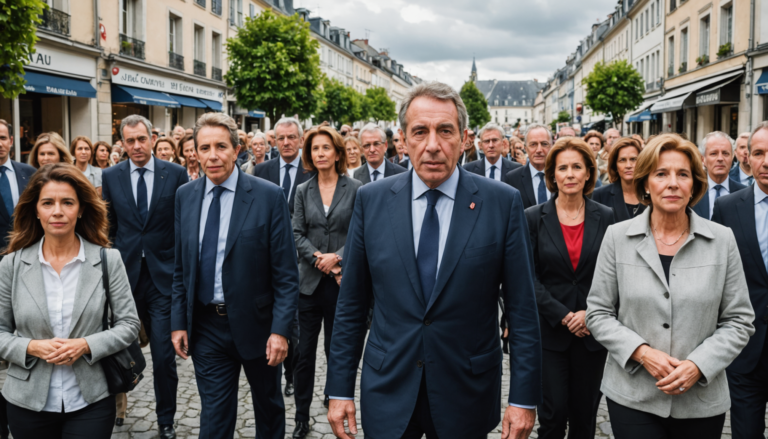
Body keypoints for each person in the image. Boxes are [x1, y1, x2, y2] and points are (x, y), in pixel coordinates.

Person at [326, 82, 542, 439]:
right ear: (403, 139)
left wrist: (523, 399)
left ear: (463, 137)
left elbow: (521, 309)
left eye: (445, 131)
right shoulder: (371, 200)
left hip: (466, 391)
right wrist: (338, 389)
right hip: (388, 387)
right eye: (420, 132)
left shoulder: (502, 202)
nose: (432, 145)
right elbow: (351, 304)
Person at [586, 133, 755, 439]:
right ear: (646, 184)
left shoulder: (722, 241)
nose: (673, 183)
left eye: (683, 174)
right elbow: (598, 313)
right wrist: (642, 353)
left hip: (701, 400)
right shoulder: (617, 237)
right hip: (633, 395)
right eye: (661, 174)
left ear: (695, 184)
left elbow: (739, 320)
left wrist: (698, 364)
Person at [170, 113, 299, 439]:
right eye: (204, 147)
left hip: (259, 327)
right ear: (194, 152)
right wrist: (178, 322)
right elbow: (180, 268)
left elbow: (286, 273)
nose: (212, 155)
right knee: (214, 419)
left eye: (220, 146)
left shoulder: (268, 196)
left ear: (237, 149)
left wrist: (280, 331)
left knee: (268, 411)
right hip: (207, 327)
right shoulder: (185, 196)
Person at [0, 163, 140, 439]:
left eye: (67, 202)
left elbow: (129, 324)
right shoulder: (11, 264)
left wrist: (86, 344)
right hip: (27, 400)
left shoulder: (107, 260)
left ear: (82, 208)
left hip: (91, 398)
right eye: (48, 203)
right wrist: (31, 347)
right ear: (36, 210)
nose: (58, 212)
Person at [102, 115, 188, 439]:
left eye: (141, 139)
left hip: (163, 280)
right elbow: (108, 227)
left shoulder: (175, 174)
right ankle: (112, 409)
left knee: (165, 357)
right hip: (124, 279)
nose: (136, 146)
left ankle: (166, 419)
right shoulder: (111, 176)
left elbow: (182, 228)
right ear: (122, 143)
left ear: (153, 138)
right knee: (115, 350)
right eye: (129, 141)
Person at [526, 136, 614, 439]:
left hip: (593, 334)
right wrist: (564, 315)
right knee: (552, 416)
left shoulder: (607, 217)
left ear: (589, 172)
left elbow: (614, 275)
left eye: (577, 167)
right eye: (562, 168)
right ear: (553, 175)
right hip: (551, 333)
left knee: (584, 416)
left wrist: (589, 313)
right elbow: (528, 278)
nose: (570, 174)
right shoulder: (534, 218)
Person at [291, 127, 362, 439]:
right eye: (315, 148)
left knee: (338, 352)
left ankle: (337, 400)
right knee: (303, 356)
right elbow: (296, 234)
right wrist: (321, 258)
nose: (320, 153)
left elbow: (361, 233)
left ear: (337, 152)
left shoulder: (357, 188)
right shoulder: (302, 190)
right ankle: (301, 417)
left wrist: (339, 259)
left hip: (342, 285)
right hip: (308, 286)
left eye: (325, 148)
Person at [711, 122, 768, 438]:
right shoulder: (728, 207)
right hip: (746, 351)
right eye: (758, 153)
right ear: (746, 157)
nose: (766, 162)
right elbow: (716, 275)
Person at [252, 118, 316, 216]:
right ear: (276, 142)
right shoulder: (260, 171)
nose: (286, 143)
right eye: (281, 138)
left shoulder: (313, 171)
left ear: (301, 141)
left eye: (291, 137)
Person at [691, 131, 747, 220]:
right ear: (703, 159)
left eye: (725, 153)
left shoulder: (745, 194)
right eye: (714, 153)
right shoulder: (692, 192)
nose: (720, 158)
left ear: (732, 157)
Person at [592, 138, 646, 222]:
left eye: (633, 159)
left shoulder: (651, 193)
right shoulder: (600, 195)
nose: (628, 165)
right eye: (622, 160)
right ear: (615, 165)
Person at [503, 123, 553, 208]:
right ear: (526, 149)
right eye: (533, 144)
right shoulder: (512, 179)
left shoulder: (561, 175)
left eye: (544, 144)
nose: (539, 150)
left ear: (551, 147)